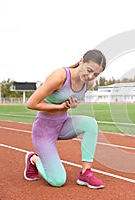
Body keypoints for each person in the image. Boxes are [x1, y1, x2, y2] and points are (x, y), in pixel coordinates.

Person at [24, 49, 106, 189]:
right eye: (89, 70)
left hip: (63, 124)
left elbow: (71, 100)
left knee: (90, 124)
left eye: (96, 74)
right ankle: (33, 158)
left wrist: (72, 104)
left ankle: (86, 172)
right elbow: (31, 103)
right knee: (58, 181)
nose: (90, 76)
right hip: (44, 131)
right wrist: (60, 107)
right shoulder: (60, 76)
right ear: (81, 61)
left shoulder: (89, 83)